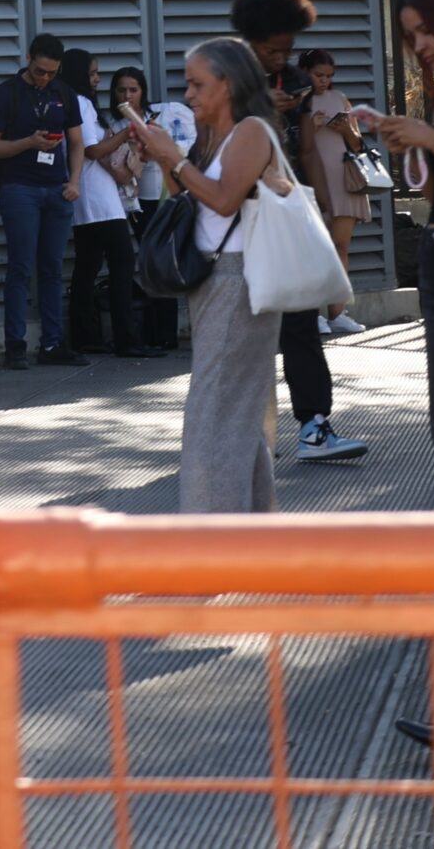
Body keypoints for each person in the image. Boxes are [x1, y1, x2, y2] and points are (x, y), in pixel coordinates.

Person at [132, 40, 287, 513]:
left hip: (238, 279)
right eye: (188, 82)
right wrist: (164, 158)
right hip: (215, 279)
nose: (189, 93)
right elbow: (195, 202)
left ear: (229, 84)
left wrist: (173, 158)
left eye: (198, 83)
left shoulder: (251, 131)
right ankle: (253, 536)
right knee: (234, 412)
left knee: (214, 414)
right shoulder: (212, 133)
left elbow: (224, 199)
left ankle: (208, 544)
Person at [230, 0, 365, 464]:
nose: (279, 59)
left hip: (289, 211)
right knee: (245, 337)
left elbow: (306, 148)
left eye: (286, 50)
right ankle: (240, 439)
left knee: (302, 325)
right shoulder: (227, 78)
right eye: (271, 50)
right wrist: (261, 108)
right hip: (239, 220)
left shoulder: (295, 82)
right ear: (250, 41)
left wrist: (324, 208)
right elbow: (217, 145)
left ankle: (313, 425)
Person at [382, 0, 434, 756]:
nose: (419, 44)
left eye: (425, 29)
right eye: (409, 34)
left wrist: (433, 137)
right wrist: (408, 144)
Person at [0, 34, 85, 370]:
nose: (45, 78)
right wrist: (28, 142)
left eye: (52, 73)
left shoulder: (63, 93)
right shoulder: (5, 95)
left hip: (57, 189)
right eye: (40, 71)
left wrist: (74, 181)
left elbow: (78, 142)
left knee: (53, 269)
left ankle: (52, 343)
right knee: (21, 267)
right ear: (28, 58)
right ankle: (15, 344)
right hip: (20, 188)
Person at [58, 52, 146, 360]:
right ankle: (126, 339)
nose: (97, 79)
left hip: (91, 195)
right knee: (121, 261)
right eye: (93, 73)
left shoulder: (76, 101)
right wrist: (127, 132)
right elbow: (93, 150)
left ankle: (87, 336)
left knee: (88, 266)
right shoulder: (80, 102)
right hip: (96, 195)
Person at [105, 67, 180, 356]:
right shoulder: (111, 121)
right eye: (122, 90)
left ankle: (165, 332)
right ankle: (148, 331)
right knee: (139, 264)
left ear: (143, 92)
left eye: (133, 90)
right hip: (125, 199)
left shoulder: (155, 119)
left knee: (160, 260)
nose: (127, 95)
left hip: (155, 195)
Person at [298, 48, 372, 334]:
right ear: (304, 71)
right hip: (311, 180)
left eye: (329, 76)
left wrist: (346, 130)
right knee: (313, 248)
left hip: (343, 179)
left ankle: (337, 312)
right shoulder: (296, 100)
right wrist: (309, 126)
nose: (324, 81)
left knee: (340, 247)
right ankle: (312, 312)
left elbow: (357, 145)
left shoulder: (339, 98)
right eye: (318, 75)